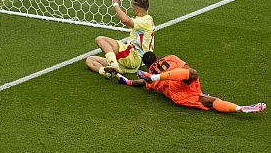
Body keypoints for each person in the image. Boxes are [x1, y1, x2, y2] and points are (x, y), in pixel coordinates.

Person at [114, 52, 266, 113]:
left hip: (177, 95)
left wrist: (127, 81)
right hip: (179, 82)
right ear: (158, 57)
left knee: (209, 101)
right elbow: (186, 69)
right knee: (193, 73)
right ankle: (240, 108)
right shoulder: (171, 58)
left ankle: (241, 108)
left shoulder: (149, 78)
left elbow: (141, 83)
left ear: (147, 66)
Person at [86, 0, 154, 78]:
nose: (132, 9)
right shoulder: (146, 20)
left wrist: (115, 3)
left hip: (134, 56)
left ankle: (114, 65)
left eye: (133, 7)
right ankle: (109, 72)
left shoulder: (145, 20)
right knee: (90, 60)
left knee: (100, 40)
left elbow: (125, 20)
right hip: (133, 62)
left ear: (136, 9)